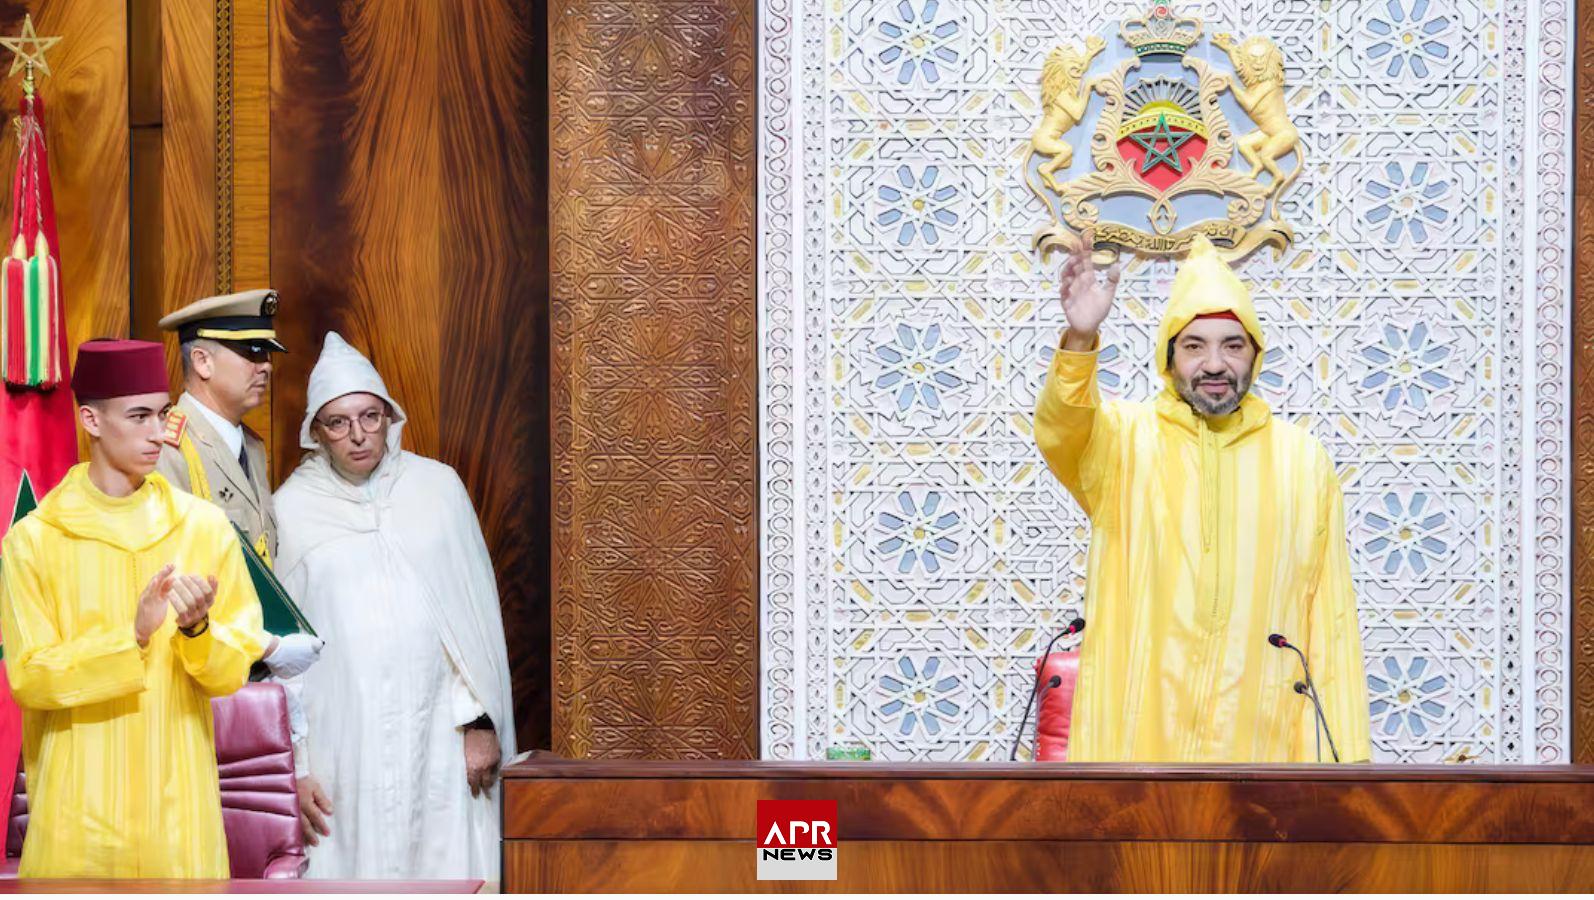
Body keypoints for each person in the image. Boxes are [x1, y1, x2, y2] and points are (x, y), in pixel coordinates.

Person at [1033, 233, 1371, 763]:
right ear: (1169, 359)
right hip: (1137, 736)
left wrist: (1345, 765)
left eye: (1232, 345)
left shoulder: (1302, 460)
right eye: (1195, 346)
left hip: (1261, 745)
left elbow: (1330, 619)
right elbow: (1061, 431)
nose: (1215, 364)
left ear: (1255, 356)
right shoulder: (1121, 441)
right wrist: (1080, 340)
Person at [0, 339, 269, 877]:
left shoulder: (203, 528)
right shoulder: (34, 541)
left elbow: (232, 667)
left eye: (163, 413)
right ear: (91, 420)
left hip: (179, 827)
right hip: (77, 828)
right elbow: (30, 677)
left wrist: (196, 631)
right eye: (139, 416)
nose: (158, 433)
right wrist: (134, 640)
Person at [274, 333, 516, 879]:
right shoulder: (290, 510)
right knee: (353, 860)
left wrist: (479, 721)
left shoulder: (438, 489)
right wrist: (299, 763)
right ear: (316, 432)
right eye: (338, 422)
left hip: (440, 731)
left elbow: (472, 624)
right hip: (344, 738)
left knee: (443, 855)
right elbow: (280, 652)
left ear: (390, 417)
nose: (358, 435)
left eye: (370, 417)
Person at [155, 289, 284, 563]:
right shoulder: (167, 448)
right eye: (252, 352)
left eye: (267, 354)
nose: (266, 367)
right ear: (203, 362)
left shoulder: (253, 447)